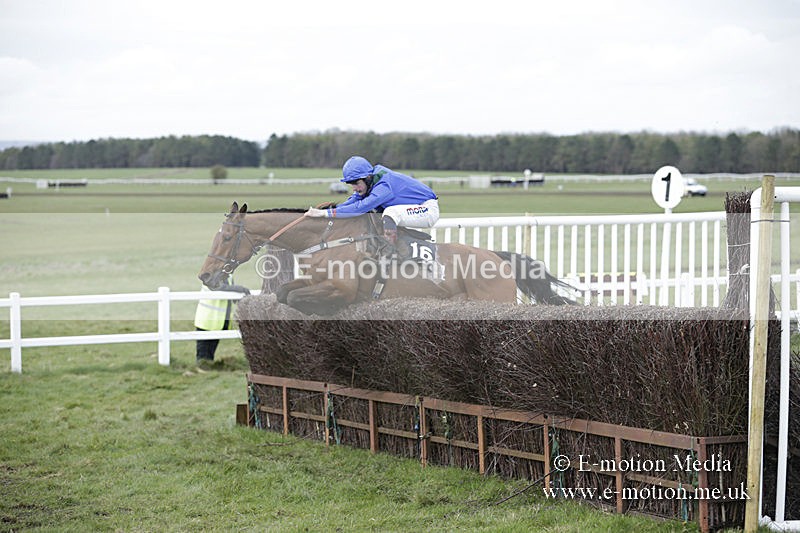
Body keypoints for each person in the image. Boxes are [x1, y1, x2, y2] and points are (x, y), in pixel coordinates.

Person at [305, 156, 439, 245]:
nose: (355, 188)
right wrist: (330, 211)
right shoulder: (370, 182)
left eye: (356, 183)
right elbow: (353, 202)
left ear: (367, 177)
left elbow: (360, 208)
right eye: (351, 184)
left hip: (427, 210)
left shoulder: (384, 186)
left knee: (390, 213)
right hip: (410, 210)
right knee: (380, 214)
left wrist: (325, 214)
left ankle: (390, 251)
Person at [193, 277, 236, 365]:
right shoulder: (211, 271)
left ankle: (208, 371)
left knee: (210, 354)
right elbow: (219, 288)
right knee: (203, 356)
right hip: (206, 321)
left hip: (217, 322)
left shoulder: (229, 274)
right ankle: (203, 372)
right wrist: (238, 289)